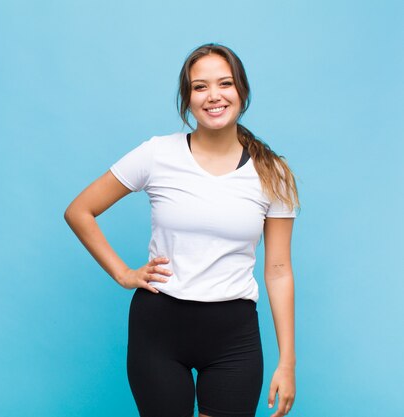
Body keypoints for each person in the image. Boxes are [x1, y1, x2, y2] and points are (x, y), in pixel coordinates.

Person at [63, 43, 298, 417]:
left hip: (234, 337)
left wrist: (287, 362)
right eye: (199, 86)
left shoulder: (273, 172)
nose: (214, 96)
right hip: (158, 331)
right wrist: (123, 273)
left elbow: (279, 269)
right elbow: (79, 210)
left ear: (242, 91)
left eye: (225, 83)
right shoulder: (157, 154)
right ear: (187, 98)